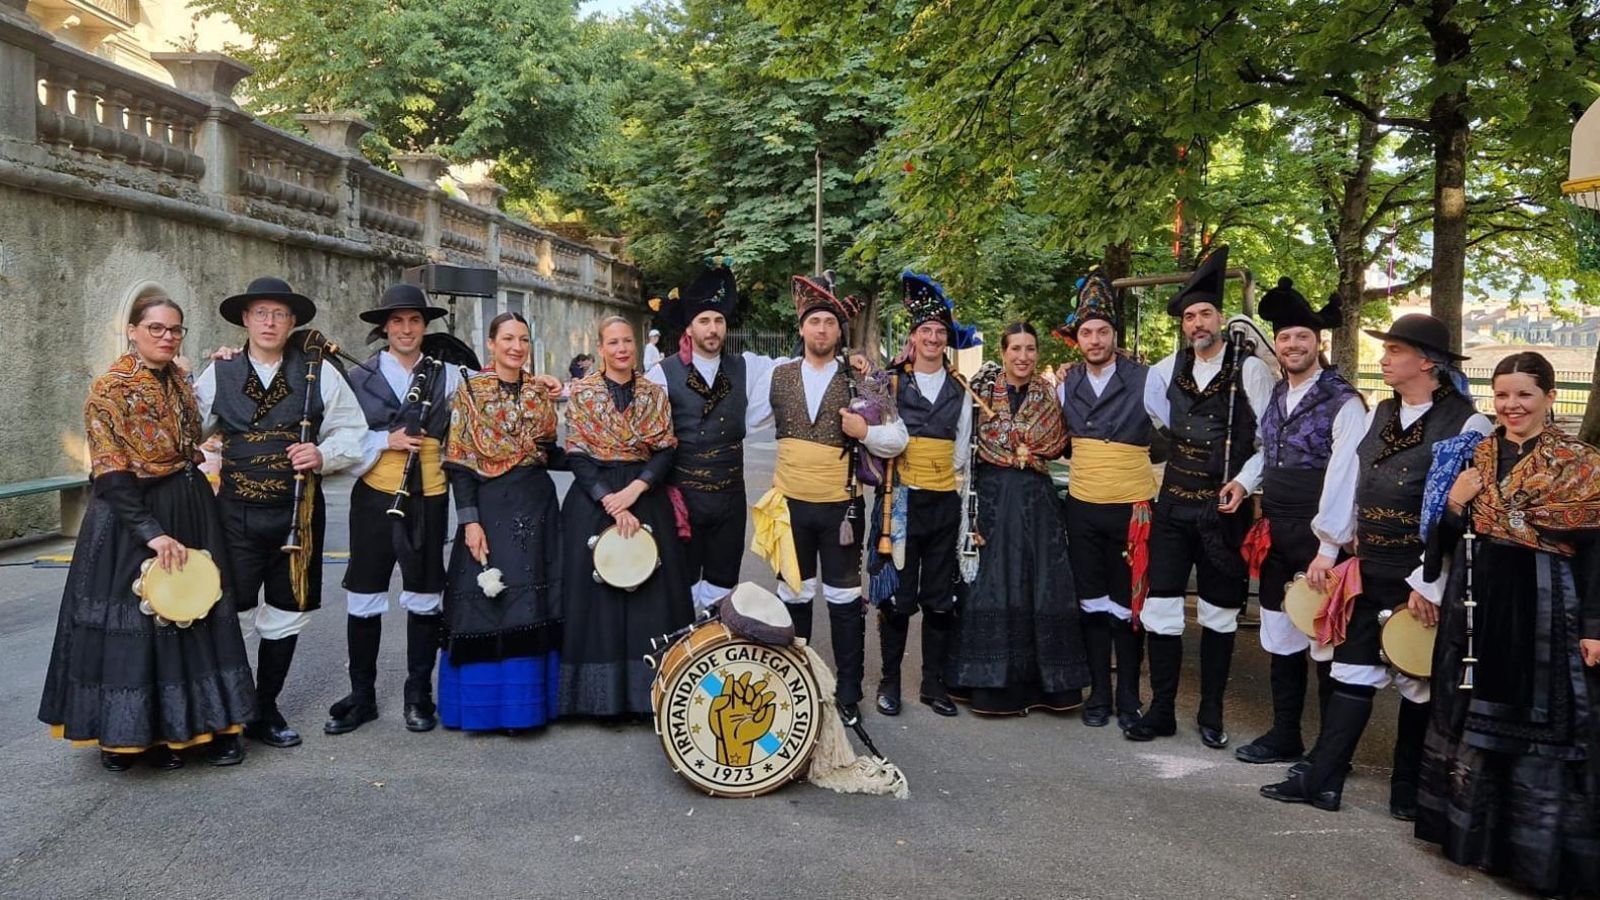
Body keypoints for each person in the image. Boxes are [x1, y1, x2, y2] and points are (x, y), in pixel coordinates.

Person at [1261, 313, 1491, 817]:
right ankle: (1323, 780)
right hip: (1368, 566)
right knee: (1350, 672)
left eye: (1394, 351)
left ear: (1426, 362)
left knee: (1416, 680)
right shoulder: (1380, 411)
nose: (1383, 359)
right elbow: (1348, 480)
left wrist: (1432, 583)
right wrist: (1329, 549)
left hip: (1419, 575)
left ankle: (1408, 789)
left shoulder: (1468, 424)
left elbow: (1463, 514)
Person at [39, 294, 256, 770]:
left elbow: (205, 423)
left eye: (175, 329)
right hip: (130, 516)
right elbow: (110, 471)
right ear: (133, 331)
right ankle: (124, 736)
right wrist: (150, 533)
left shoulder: (180, 379)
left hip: (190, 507)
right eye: (156, 328)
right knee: (134, 624)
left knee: (197, 612)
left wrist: (227, 360)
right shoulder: (109, 390)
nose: (167, 337)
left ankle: (207, 729)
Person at [1414, 351, 1600, 895]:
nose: (1511, 405)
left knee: (1545, 729)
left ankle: (1535, 859)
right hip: (1476, 607)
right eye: (1501, 395)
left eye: (1523, 394)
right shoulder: (1474, 455)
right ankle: (1479, 843)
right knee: (1474, 718)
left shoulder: (1581, 463)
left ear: (1548, 397)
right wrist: (1454, 503)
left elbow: (1596, 553)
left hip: (1547, 609)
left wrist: (1594, 625)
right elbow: (1442, 543)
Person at [195, 276, 368, 749]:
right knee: (228, 610)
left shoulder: (318, 371)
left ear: (292, 322)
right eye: (261, 313)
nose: (269, 322)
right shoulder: (220, 372)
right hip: (233, 515)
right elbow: (187, 428)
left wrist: (322, 454)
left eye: (279, 314)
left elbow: (353, 432)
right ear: (245, 320)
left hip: (298, 514)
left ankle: (265, 709)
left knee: (287, 610)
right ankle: (230, 715)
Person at [750, 273, 907, 723]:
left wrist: (866, 432)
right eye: (814, 322)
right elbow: (744, 421)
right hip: (790, 509)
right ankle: (794, 683)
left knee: (844, 600)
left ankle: (848, 691)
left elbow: (898, 438)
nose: (822, 329)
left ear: (840, 331)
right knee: (793, 596)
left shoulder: (862, 380)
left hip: (842, 509)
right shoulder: (777, 376)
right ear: (802, 327)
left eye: (829, 323)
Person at [1135, 245, 1274, 748]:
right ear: (1184, 324)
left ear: (1220, 317)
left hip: (1224, 510)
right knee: (1162, 608)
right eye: (1190, 316)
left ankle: (1211, 711)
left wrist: (1244, 482)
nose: (1198, 323)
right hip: (1173, 506)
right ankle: (1161, 710)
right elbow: (1159, 420)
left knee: (1218, 612)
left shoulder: (1251, 370)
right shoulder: (1163, 370)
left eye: (1206, 314)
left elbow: (1267, 443)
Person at [1226, 281, 1362, 765]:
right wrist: (1243, 482)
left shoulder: (1344, 402)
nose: (1292, 345)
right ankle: (1285, 735)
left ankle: (1330, 751)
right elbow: (1269, 452)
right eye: (1285, 338)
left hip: (1317, 539)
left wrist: (1328, 548)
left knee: (1324, 640)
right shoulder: (1278, 393)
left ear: (1318, 342)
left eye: (1302, 337)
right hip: (1276, 534)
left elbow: (1346, 476)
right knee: (1280, 634)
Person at [326, 284, 465, 736]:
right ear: (385, 328)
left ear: (425, 327)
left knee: (425, 594)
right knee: (365, 593)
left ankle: (418, 693)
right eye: (398, 321)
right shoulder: (359, 377)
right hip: (374, 495)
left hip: (429, 494)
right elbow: (340, 437)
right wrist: (386, 440)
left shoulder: (450, 375)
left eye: (415, 321)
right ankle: (362, 696)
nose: (406, 329)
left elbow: (479, 412)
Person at [948, 322, 1089, 715]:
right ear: (1004, 352)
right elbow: (970, 442)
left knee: (1039, 582)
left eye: (1030, 349)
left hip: (1037, 502)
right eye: (1016, 349)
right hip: (992, 499)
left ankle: (1048, 686)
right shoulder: (980, 392)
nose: (1023, 357)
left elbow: (1057, 443)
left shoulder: (1050, 395)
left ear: (1037, 353)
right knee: (992, 581)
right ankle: (988, 684)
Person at [438, 313, 565, 732]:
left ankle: (529, 708)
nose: (516, 347)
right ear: (491, 344)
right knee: (490, 603)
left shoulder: (539, 393)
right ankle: (486, 709)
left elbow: (548, 451)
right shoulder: (470, 393)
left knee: (535, 603)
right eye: (508, 339)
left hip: (538, 506)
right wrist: (469, 522)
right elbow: (459, 463)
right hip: (490, 507)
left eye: (523, 339)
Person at [559, 316, 689, 718]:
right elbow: (576, 453)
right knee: (594, 601)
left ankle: (646, 696)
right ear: (600, 348)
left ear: (636, 345)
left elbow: (666, 450)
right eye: (613, 342)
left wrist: (634, 491)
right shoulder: (582, 393)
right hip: (594, 498)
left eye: (627, 341)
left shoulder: (654, 393)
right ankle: (595, 699)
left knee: (651, 597)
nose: (622, 349)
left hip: (644, 494)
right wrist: (609, 501)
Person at [645, 262, 784, 612]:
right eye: (704, 321)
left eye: (718, 321)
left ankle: (714, 645)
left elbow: (795, 370)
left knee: (722, 591)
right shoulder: (661, 375)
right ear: (689, 327)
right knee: (682, 591)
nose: (712, 328)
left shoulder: (747, 367)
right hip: (682, 501)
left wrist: (853, 363)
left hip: (730, 502)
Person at [870, 271, 975, 718]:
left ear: (947, 340)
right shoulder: (890, 382)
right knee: (897, 597)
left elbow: (962, 449)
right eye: (926, 330)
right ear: (913, 336)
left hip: (944, 503)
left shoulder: (962, 389)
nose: (933, 338)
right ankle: (890, 682)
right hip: (900, 503)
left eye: (940, 332)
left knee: (939, 598)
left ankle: (934, 684)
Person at [1056, 271, 1153, 731]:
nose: (1094, 340)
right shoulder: (1066, 383)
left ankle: (1129, 696)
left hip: (1131, 508)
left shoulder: (1146, 380)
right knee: (1092, 603)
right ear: (1076, 339)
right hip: (1084, 508)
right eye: (1086, 333)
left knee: (1129, 606)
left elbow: (1172, 433)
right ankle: (1098, 693)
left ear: (1115, 335)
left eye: (1102, 332)